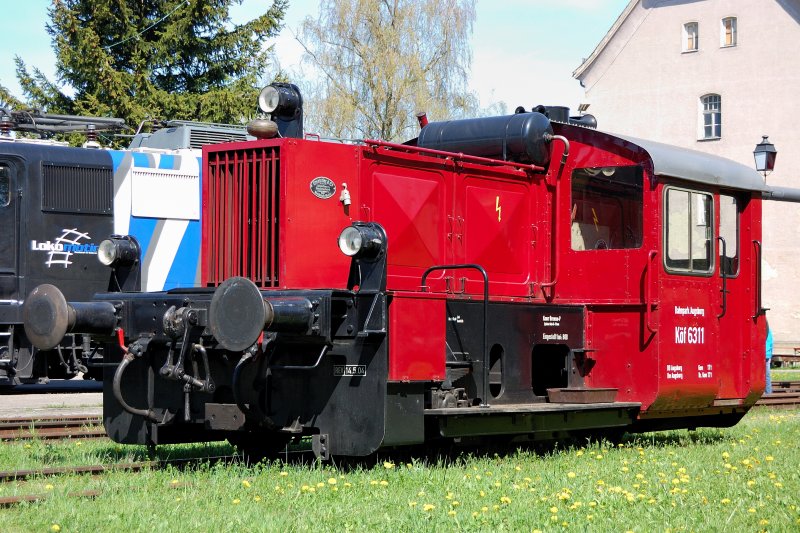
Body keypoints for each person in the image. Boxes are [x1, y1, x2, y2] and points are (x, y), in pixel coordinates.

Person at [765, 321, 773, 394]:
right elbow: (771, 344)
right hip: (767, 355)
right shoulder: (769, 331)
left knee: (764, 375)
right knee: (767, 375)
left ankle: (767, 392)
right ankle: (768, 392)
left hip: (763, 355)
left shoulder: (763, 331)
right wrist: (770, 356)